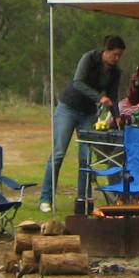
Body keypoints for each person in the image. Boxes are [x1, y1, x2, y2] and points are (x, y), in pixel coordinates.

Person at [40, 34, 125, 212]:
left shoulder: (115, 72)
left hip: (88, 113)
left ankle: (83, 199)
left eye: (120, 56)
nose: (117, 59)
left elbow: (113, 96)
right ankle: (46, 198)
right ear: (106, 50)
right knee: (58, 153)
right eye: (115, 54)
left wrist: (116, 115)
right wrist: (99, 97)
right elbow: (77, 82)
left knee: (85, 158)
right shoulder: (89, 58)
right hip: (69, 108)